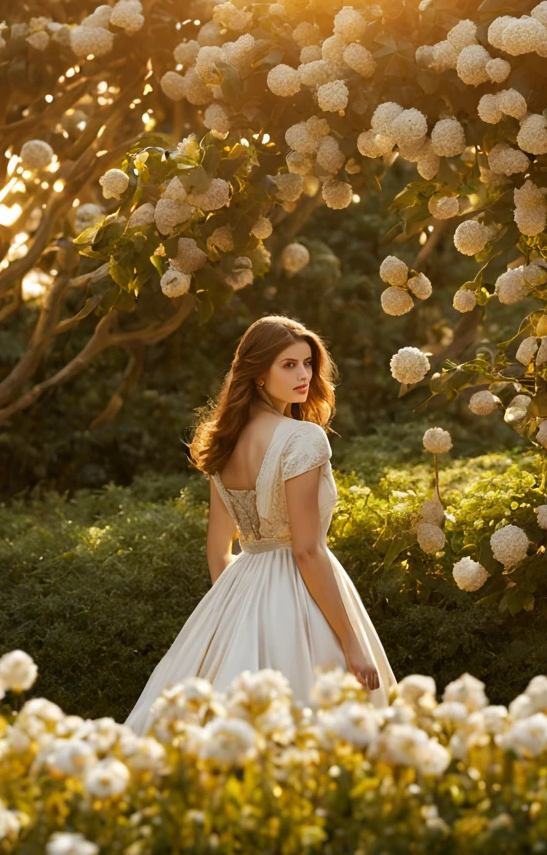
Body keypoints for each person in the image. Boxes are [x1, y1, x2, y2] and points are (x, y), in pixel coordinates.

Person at [123, 315, 396, 736]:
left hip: (237, 590)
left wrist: (235, 615)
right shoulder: (303, 438)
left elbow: (218, 552)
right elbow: (306, 550)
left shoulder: (222, 442)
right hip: (303, 589)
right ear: (258, 374)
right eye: (288, 365)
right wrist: (352, 643)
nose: (304, 374)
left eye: (307, 363)